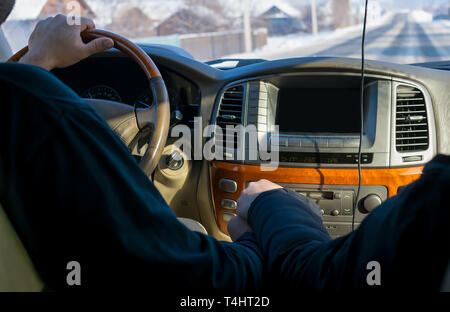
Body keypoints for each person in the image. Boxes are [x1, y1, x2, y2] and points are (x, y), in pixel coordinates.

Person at [0, 1, 262, 292]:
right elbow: (189, 274)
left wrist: (37, 61)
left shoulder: (21, 96)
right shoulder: (38, 102)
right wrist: (269, 224)